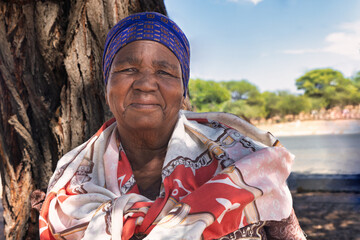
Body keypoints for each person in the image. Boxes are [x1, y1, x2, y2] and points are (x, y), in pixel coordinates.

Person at [38, 12, 306, 240]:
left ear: (183, 91)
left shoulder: (246, 163)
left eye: (164, 72)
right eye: (128, 69)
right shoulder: (71, 178)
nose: (145, 83)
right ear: (107, 85)